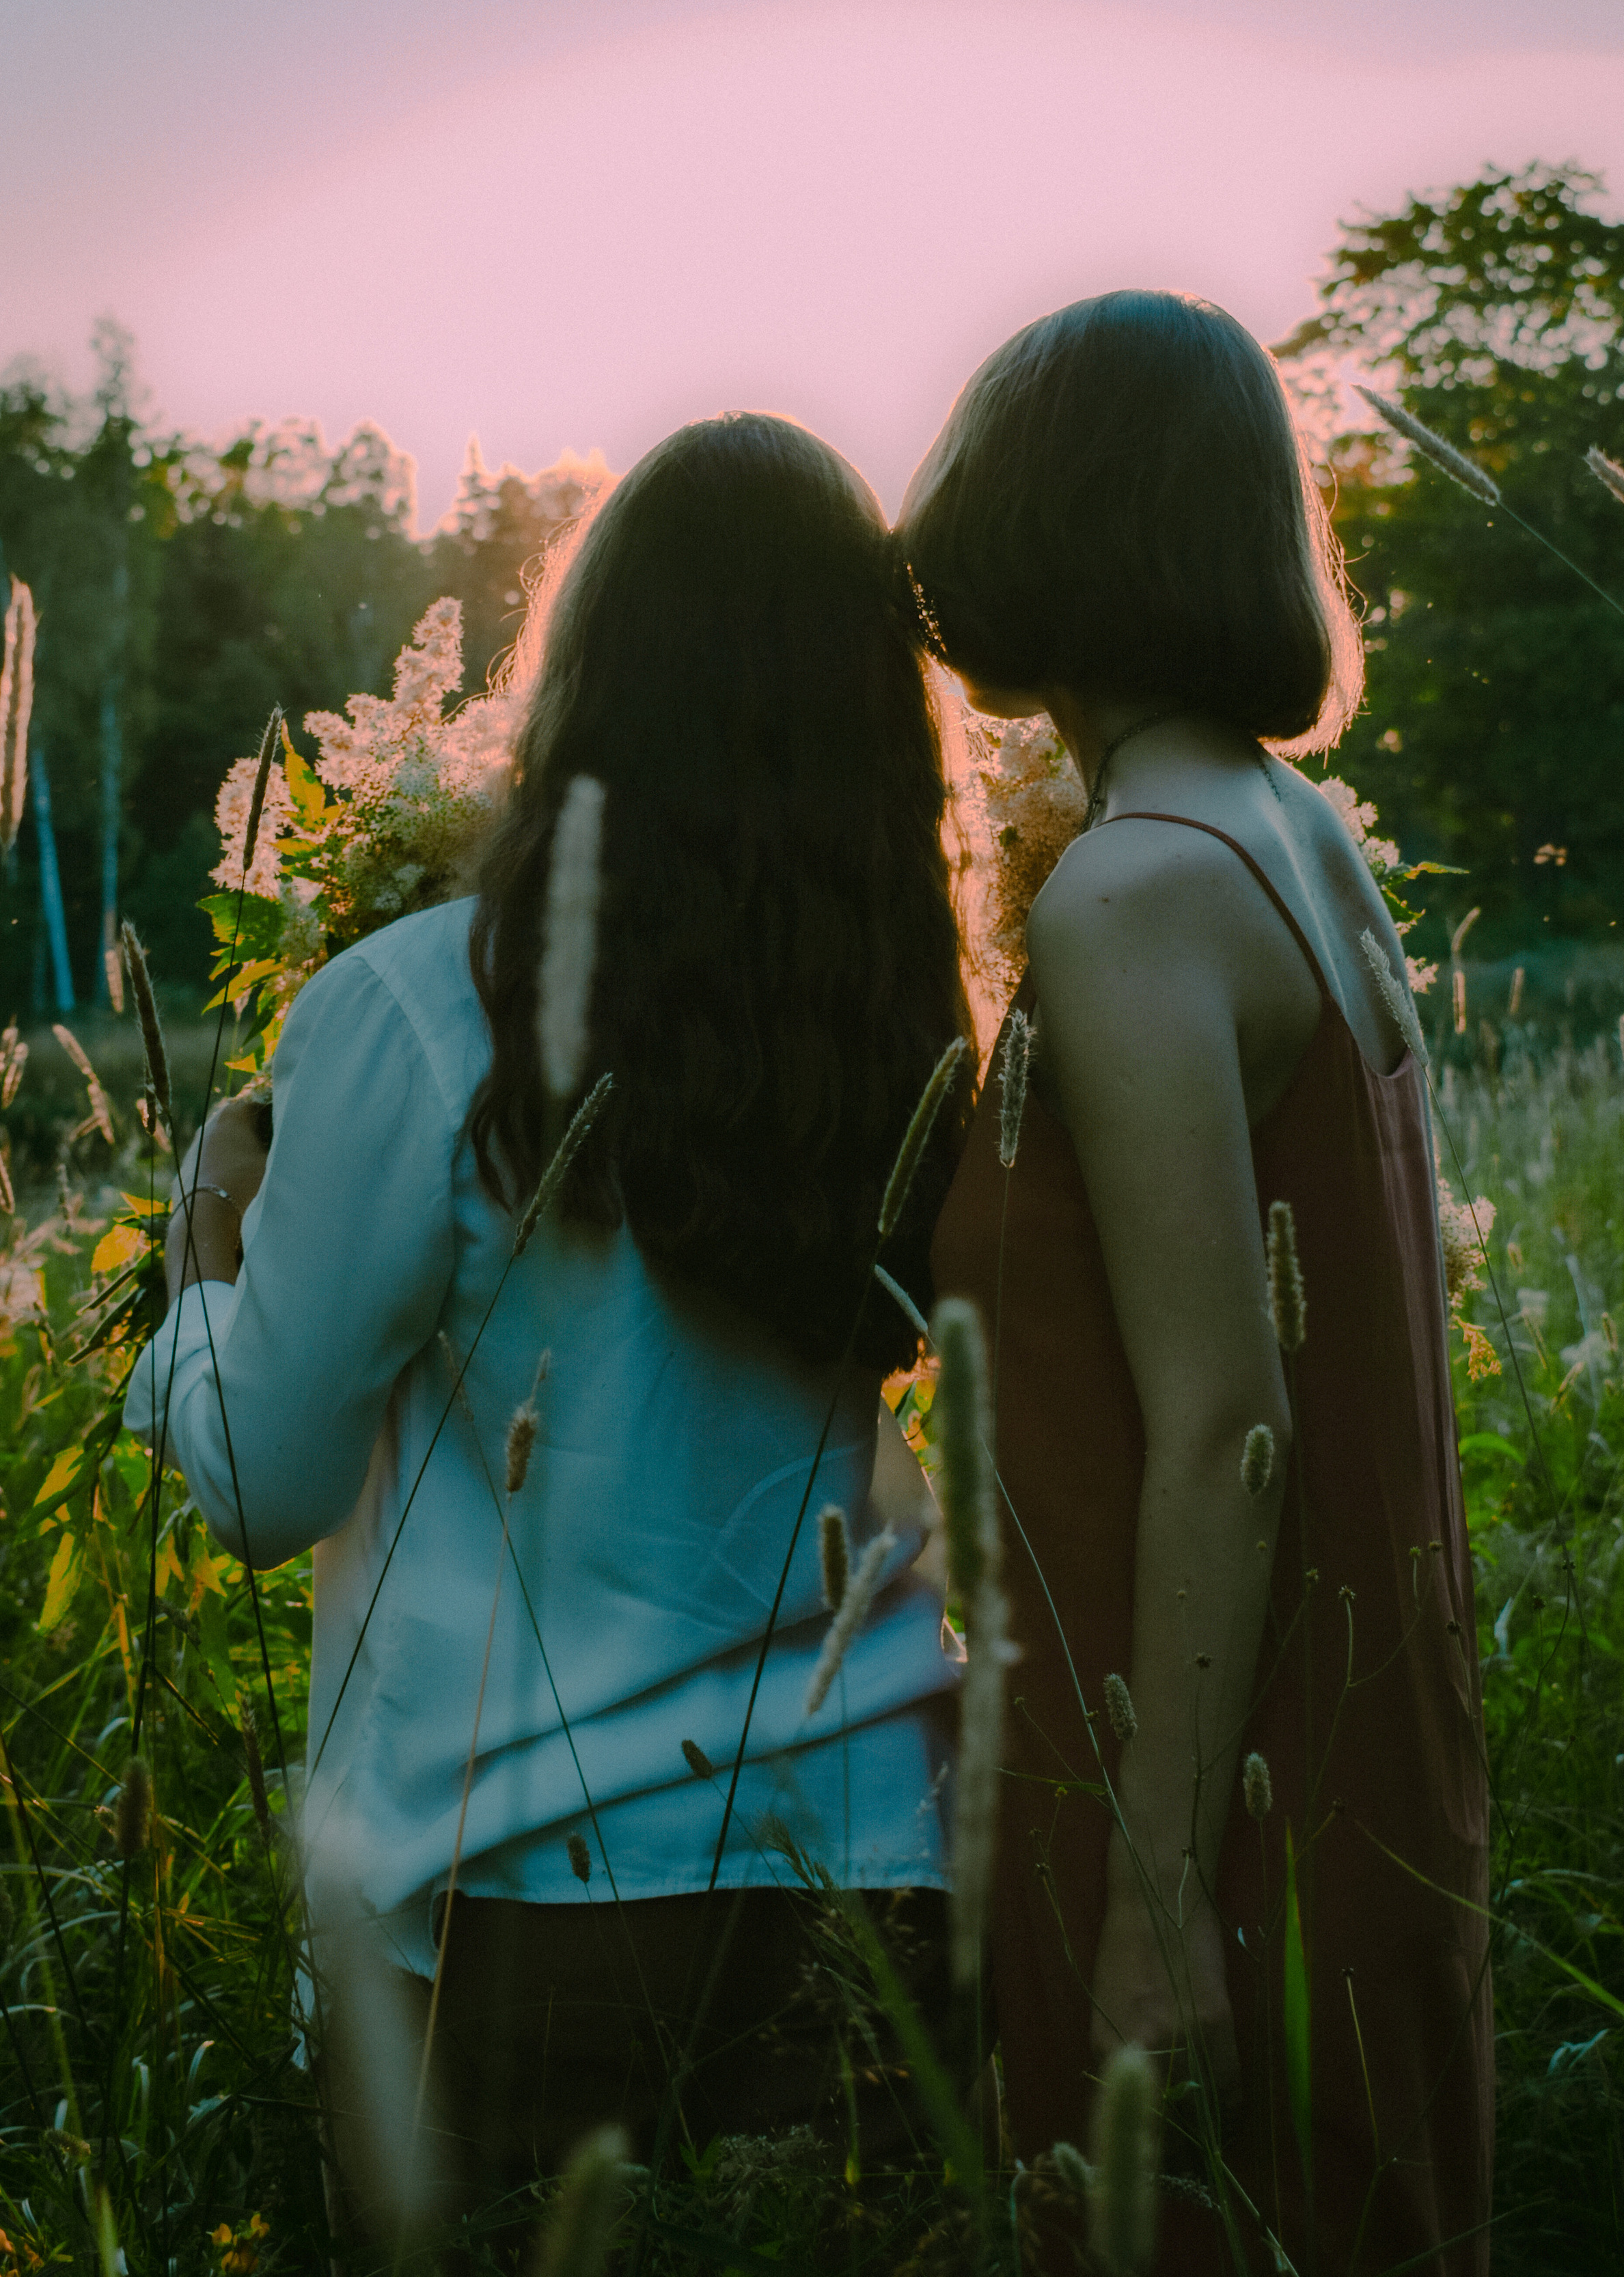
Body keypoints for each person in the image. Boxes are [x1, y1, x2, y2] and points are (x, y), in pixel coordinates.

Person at [125, 413, 973, 2255]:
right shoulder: (918, 1030)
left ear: (581, 677)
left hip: (515, 1897)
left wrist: (204, 1269)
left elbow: (263, 1485)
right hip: (873, 1869)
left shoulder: (419, 1010)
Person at [901, 292, 1493, 2274]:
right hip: (1337, 1728)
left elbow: (1227, 1424)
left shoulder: (1140, 887)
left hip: (1200, 1772)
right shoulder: (1291, 830)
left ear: (1053, 524)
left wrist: (1158, 1897)